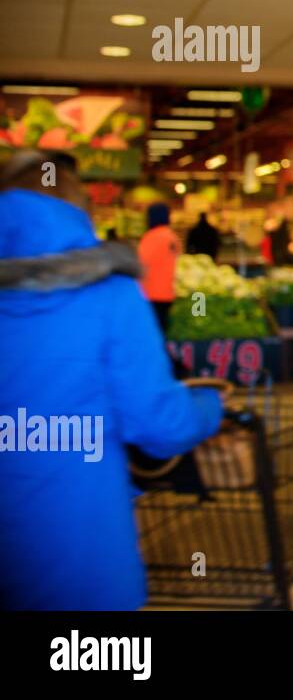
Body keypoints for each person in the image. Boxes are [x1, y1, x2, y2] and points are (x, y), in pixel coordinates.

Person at [0, 149, 223, 609]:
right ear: (77, 209)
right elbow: (160, 424)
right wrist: (210, 409)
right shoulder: (110, 296)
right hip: (81, 552)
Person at [137, 201, 179, 336]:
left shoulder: (151, 237)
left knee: (151, 333)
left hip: (151, 293)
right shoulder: (172, 237)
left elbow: (141, 263)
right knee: (162, 330)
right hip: (168, 293)